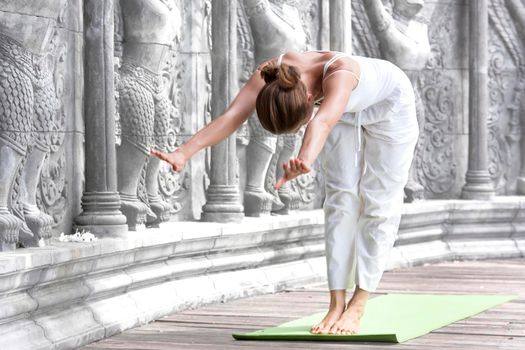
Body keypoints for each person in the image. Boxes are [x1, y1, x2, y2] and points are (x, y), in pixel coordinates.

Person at [150, 50, 419, 335]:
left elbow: (322, 121)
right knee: (340, 200)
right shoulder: (273, 74)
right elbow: (233, 115)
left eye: (299, 123)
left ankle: (359, 304)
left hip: (391, 107)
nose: (304, 122)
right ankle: (336, 303)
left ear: (307, 100)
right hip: (342, 113)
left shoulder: (341, 74)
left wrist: (304, 159)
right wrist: (183, 152)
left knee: (379, 202)